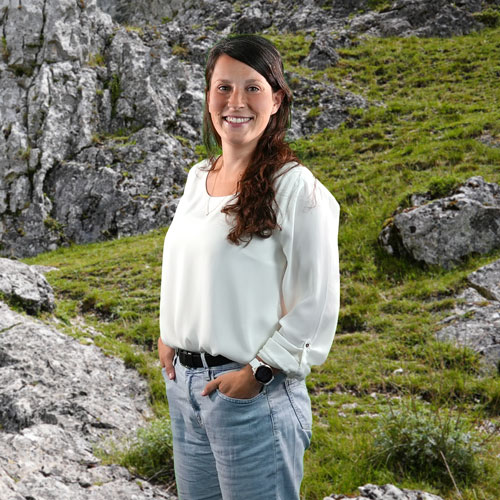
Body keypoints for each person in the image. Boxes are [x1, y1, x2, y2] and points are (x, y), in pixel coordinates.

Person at [158, 34, 340, 500]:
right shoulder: (199, 178)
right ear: (208, 96)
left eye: (252, 88)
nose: (235, 102)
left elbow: (316, 303)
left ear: (276, 100)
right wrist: (169, 334)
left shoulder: (296, 188)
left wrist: (258, 373)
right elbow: (190, 266)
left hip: (253, 395)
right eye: (223, 87)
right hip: (187, 391)